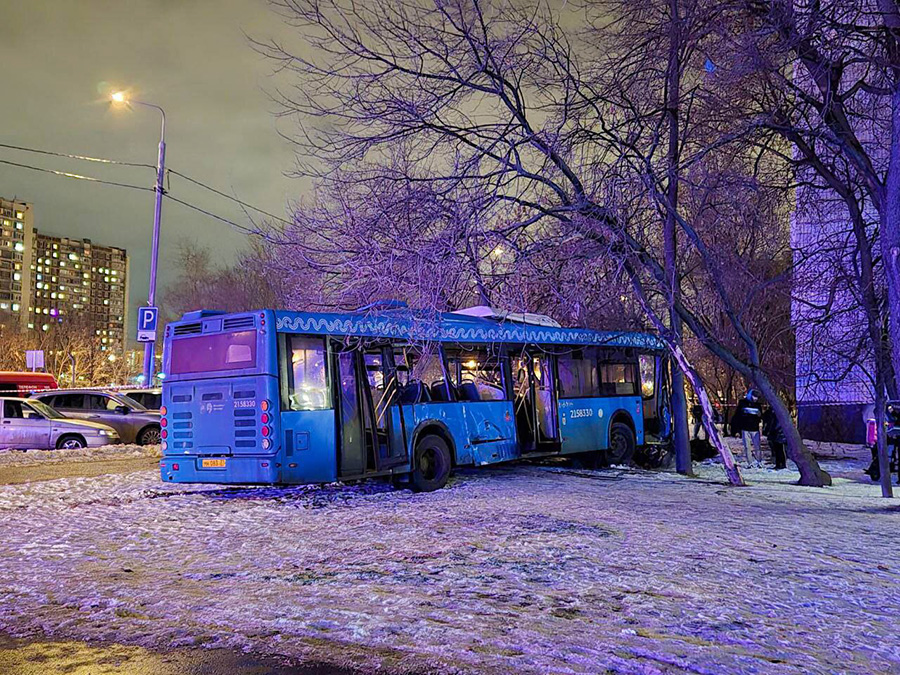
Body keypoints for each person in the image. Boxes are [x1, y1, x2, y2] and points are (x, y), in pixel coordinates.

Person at [733, 389, 763, 468]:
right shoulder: (742, 403)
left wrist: (759, 416)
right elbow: (737, 416)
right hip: (745, 428)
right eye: (754, 396)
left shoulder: (758, 405)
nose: (755, 398)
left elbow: (760, 416)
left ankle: (759, 461)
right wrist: (737, 430)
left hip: (755, 429)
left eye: (757, 397)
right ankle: (750, 462)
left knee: (757, 446)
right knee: (747, 447)